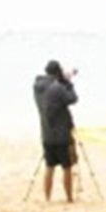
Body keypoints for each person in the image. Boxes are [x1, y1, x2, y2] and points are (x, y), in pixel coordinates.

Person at [34, 60, 79, 203]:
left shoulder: (38, 87)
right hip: (62, 134)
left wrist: (62, 80)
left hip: (46, 133)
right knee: (67, 167)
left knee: (49, 167)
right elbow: (73, 99)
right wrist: (68, 82)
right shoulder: (58, 88)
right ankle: (69, 198)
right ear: (57, 72)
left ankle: (47, 198)